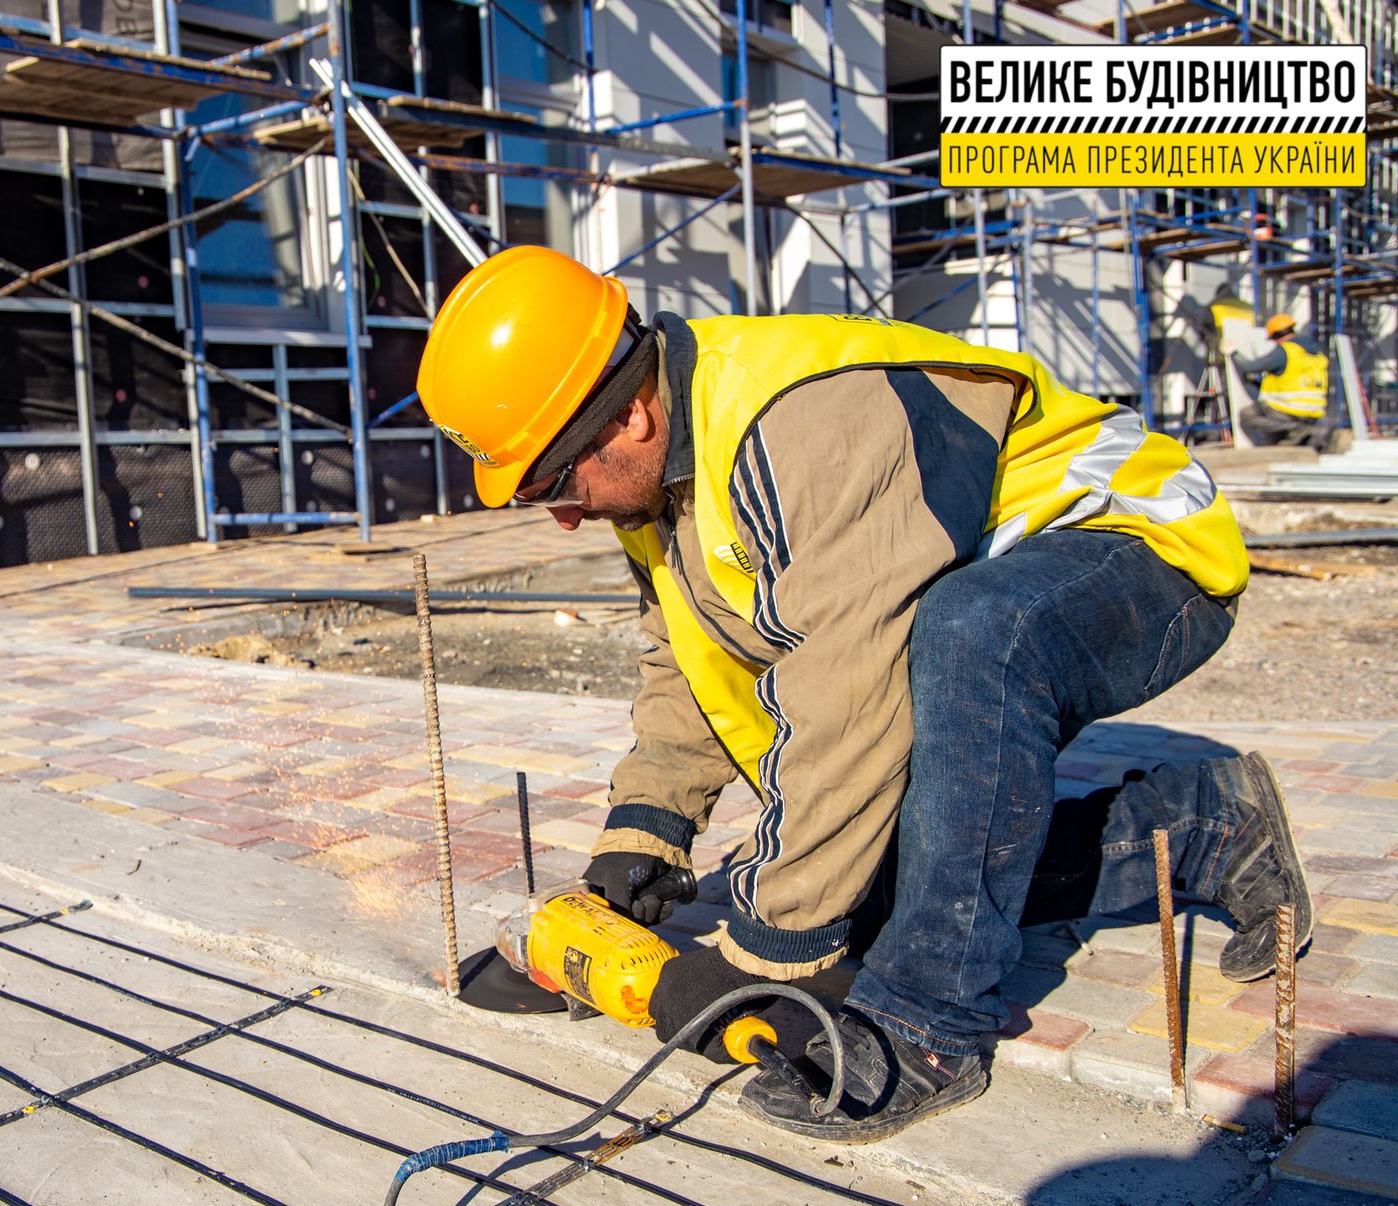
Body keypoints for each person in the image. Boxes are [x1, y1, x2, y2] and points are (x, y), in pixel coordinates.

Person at [416, 246, 1312, 1142]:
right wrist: (646, 830)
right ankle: (1204, 826)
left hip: (1139, 545)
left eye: (550, 482)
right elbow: (686, 655)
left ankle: (931, 1027)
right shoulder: (658, 485)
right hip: (997, 585)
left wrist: (768, 953)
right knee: (901, 883)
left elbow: (845, 695)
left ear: (634, 415)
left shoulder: (800, 427)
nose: (561, 515)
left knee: (970, 633)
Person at [1233, 312, 1341, 451]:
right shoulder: (1315, 353)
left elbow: (1250, 367)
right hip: (1314, 411)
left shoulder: (1285, 351)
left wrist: (1233, 353)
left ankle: (1296, 429)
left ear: (1276, 336)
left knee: (1246, 415)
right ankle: (1298, 432)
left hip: (1288, 409)